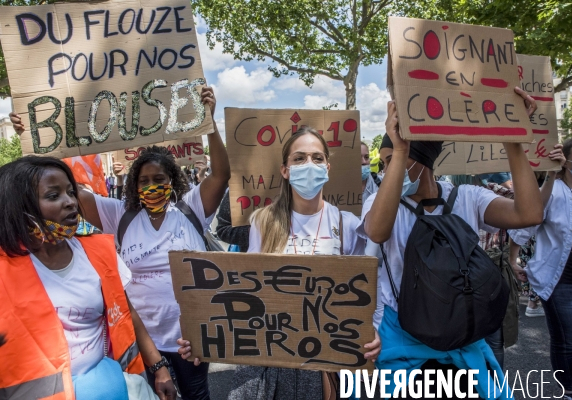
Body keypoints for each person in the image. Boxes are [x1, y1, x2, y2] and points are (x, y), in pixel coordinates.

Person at [9, 86, 229, 400]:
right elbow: (71, 192)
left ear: (172, 182)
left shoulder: (190, 209)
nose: (152, 186)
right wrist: (37, 138)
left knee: (197, 395)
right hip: (144, 341)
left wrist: (210, 121)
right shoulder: (120, 215)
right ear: (134, 184)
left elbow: (221, 174)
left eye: (159, 180)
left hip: (190, 337)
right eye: (144, 181)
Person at [360, 87, 543, 399]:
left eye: (396, 160)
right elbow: (377, 232)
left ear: (425, 161)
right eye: (384, 163)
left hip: (463, 342)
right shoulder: (379, 204)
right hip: (406, 350)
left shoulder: (467, 198)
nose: (387, 171)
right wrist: (401, 151)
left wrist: (514, 140)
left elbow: (529, 213)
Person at [178, 127, 380, 400]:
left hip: (321, 364)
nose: (309, 165)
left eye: (317, 158)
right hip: (269, 361)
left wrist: (372, 332)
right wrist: (205, 335)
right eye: (299, 159)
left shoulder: (346, 225)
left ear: (328, 168)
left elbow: (367, 293)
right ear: (285, 170)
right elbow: (246, 292)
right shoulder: (263, 222)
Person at [0, 156, 176, 400]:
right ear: (20, 206)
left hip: (122, 389)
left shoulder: (99, 252)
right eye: (53, 196)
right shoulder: (4, 268)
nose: (71, 202)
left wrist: (159, 367)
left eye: (71, 192)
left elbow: (127, 312)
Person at [509, 137, 572, 400]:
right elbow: (528, 221)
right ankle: (569, 390)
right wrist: (513, 260)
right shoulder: (554, 190)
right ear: (567, 161)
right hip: (563, 283)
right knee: (567, 344)